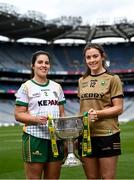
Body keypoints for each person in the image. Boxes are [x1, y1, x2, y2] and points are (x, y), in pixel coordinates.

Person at [14, 50, 66, 179]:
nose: (44, 65)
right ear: (33, 65)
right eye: (40, 62)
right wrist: (36, 119)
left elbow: (62, 113)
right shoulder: (26, 87)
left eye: (47, 63)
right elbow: (18, 115)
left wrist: (67, 135)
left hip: (56, 139)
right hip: (34, 138)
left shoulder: (57, 87)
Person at [78, 43, 124, 179]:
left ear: (102, 56)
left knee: (107, 178)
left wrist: (98, 114)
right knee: (92, 178)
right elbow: (83, 109)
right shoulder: (81, 81)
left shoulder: (113, 79)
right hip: (85, 135)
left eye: (95, 56)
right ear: (85, 60)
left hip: (107, 134)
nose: (92, 60)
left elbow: (118, 108)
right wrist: (76, 132)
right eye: (88, 57)